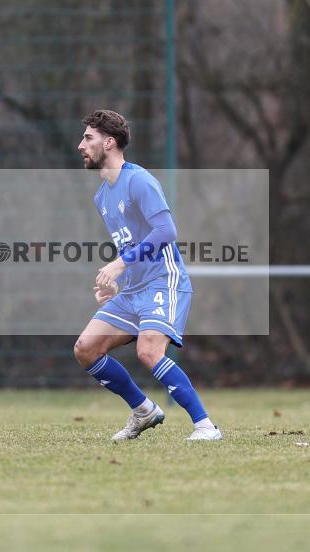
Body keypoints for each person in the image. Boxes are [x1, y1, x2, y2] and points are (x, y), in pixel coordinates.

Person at [74, 109, 222, 441]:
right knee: (85, 348)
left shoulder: (138, 180)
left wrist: (119, 264)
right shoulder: (102, 196)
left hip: (164, 282)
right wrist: (117, 283)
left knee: (148, 351)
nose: (81, 145)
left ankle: (206, 427)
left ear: (109, 142)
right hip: (133, 290)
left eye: (88, 138)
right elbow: (134, 241)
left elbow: (166, 231)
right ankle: (143, 410)